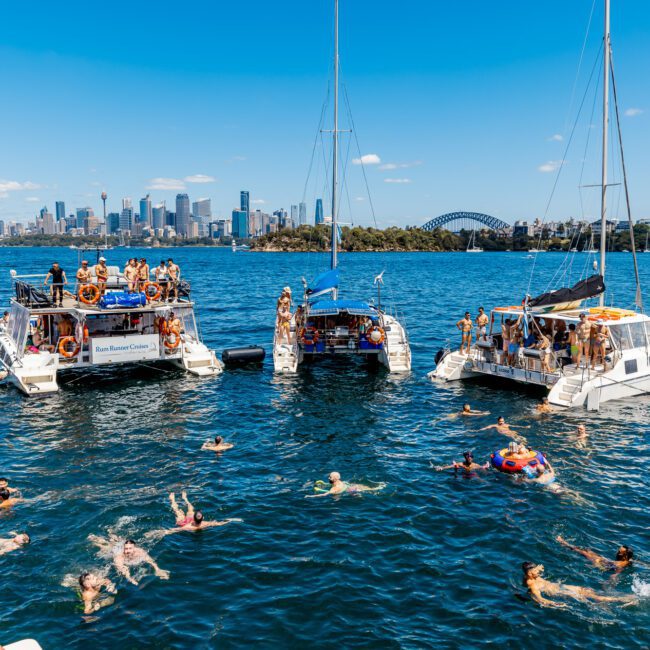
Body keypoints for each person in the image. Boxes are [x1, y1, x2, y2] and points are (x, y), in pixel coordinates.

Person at [521, 562, 637, 608]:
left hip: (564, 587)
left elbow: (530, 578)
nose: (539, 572)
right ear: (529, 573)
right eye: (536, 570)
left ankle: (612, 601)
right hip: (562, 592)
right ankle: (624, 599)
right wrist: (555, 604)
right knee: (596, 597)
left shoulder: (532, 576)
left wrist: (538, 568)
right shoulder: (532, 585)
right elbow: (540, 599)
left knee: (586, 590)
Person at [88, 535, 169, 585]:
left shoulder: (140, 551)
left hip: (120, 547)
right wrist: (130, 578)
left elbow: (150, 560)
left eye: (130, 548)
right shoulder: (119, 556)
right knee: (105, 547)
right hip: (114, 550)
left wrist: (158, 569)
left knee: (115, 540)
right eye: (126, 548)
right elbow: (122, 568)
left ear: (134, 548)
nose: (128, 551)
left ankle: (112, 535)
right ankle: (94, 539)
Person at [151, 491, 241, 536]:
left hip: (184, 523)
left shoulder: (188, 527)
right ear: (202, 518)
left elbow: (171, 531)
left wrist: (156, 532)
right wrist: (232, 519)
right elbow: (220, 523)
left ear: (194, 518)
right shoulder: (205, 524)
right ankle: (185, 499)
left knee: (178, 511)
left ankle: (174, 499)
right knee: (187, 510)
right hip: (190, 522)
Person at [556, 536, 634, 573]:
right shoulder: (628, 560)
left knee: (583, 552)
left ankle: (564, 543)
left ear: (625, 556)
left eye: (620, 552)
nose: (618, 552)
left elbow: (616, 573)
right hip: (604, 561)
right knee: (588, 550)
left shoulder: (621, 564)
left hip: (601, 564)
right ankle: (567, 545)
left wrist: (609, 583)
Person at [305, 471, 385, 498]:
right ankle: (380, 486)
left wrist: (310, 496)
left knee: (335, 498)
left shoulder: (334, 489)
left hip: (350, 490)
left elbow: (324, 495)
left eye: (330, 477)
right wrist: (323, 484)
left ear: (335, 479)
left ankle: (378, 488)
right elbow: (330, 484)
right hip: (350, 486)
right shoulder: (339, 481)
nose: (328, 478)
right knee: (367, 489)